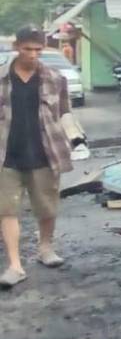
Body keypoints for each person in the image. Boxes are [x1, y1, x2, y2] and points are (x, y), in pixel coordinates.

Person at [0, 27, 74, 289]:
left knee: (47, 206)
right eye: (27, 49)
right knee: (7, 209)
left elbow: (64, 114)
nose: (32, 55)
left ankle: (45, 248)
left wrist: (75, 138)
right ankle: (15, 265)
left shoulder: (55, 78)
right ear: (16, 47)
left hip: (45, 152)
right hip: (6, 155)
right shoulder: (2, 77)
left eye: (37, 50)